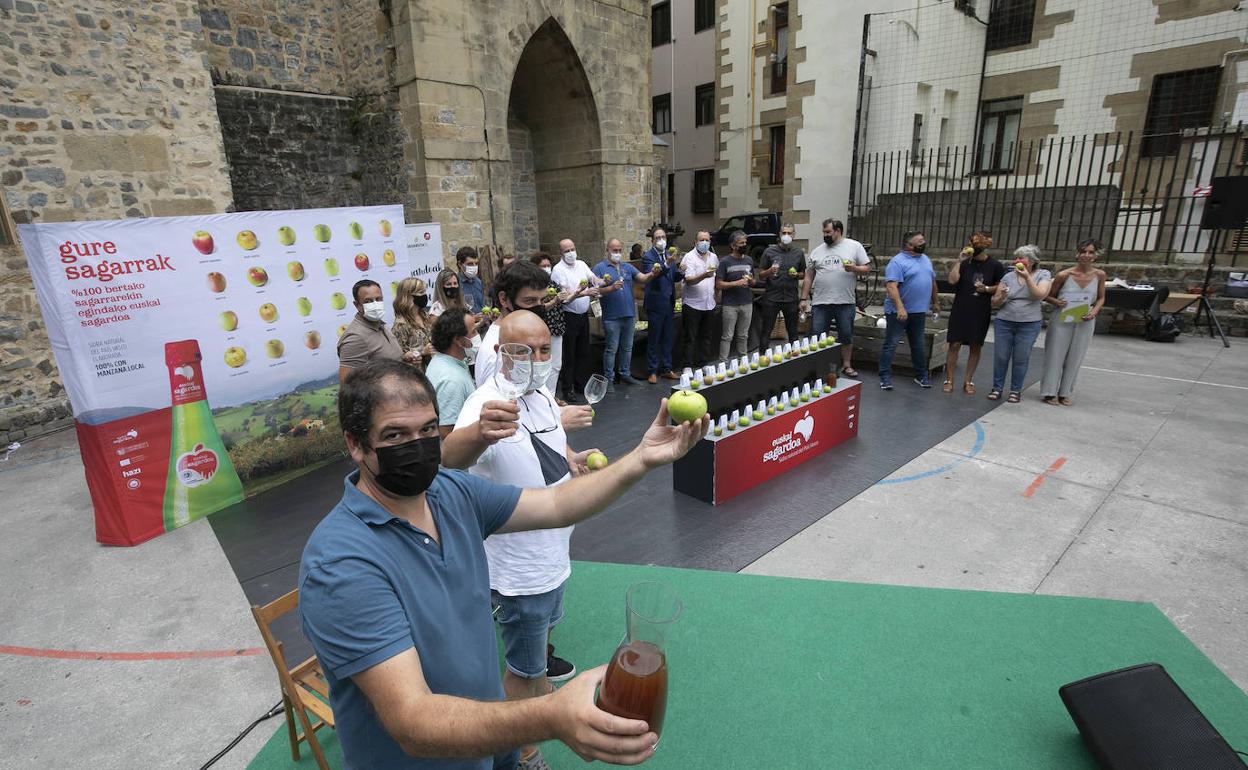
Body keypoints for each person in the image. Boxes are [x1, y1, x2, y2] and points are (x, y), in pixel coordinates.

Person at [299, 358, 706, 770]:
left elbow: (556, 503)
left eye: (427, 430)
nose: (418, 445)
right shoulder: (340, 564)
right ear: (354, 444)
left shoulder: (448, 491)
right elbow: (413, 721)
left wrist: (642, 457)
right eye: (395, 435)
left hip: (491, 746)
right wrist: (550, 716)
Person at [444, 312, 600, 770]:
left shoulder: (543, 396)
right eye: (521, 351)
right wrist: (474, 434)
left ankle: (533, 693)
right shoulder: (485, 405)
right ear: (499, 352)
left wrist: (574, 459)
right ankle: (522, 753)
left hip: (553, 556)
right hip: (518, 572)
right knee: (523, 670)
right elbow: (448, 461)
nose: (534, 360)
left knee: (541, 645)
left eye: (543, 350)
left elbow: (549, 448)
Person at [800, 218, 870, 377]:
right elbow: (808, 277)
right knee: (818, 335)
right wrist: (803, 299)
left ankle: (846, 365)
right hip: (820, 302)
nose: (825, 235)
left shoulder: (854, 246)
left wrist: (854, 268)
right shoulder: (817, 251)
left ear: (838, 231)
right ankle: (818, 365)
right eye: (823, 232)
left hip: (845, 301)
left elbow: (867, 268)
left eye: (828, 232)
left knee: (846, 334)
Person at [1041, 239, 1106, 406]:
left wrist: (1094, 311)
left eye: (1091, 252)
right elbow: (1048, 295)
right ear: (1077, 254)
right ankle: (1049, 391)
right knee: (1055, 355)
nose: (1086, 255)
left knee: (1076, 356)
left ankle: (1066, 392)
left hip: (1084, 320)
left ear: (1096, 255)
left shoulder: (1099, 275)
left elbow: (1101, 297)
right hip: (1062, 318)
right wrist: (1057, 303)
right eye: (1083, 251)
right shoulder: (1064, 275)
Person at [943, 229, 1005, 395]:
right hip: (960, 308)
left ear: (985, 246)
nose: (973, 247)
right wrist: (959, 261)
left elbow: (1000, 287)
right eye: (972, 243)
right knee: (954, 344)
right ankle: (949, 379)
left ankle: (968, 380)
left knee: (975, 346)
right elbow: (952, 281)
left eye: (977, 244)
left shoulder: (995, 266)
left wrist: (986, 288)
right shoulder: (965, 263)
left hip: (980, 309)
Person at [988, 245, 1053, 403]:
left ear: (1032, 261)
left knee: (1021, 358)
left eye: (1021, 258)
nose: (1017, 261)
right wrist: (1001, 296)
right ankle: (997, 388)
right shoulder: (1008, 276)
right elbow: (994, 303)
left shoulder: (1043, 274)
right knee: (1001, 357)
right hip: (1005, 321)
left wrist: (1027, 277)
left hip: (1029, 324)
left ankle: (1015, 390)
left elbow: (1040, 295)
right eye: (1016, 258)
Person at [474, 261, 553, 387]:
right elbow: (504, 399)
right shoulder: (498, 353)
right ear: (504, 299)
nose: (538, 307)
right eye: (530, 301)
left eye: (542, 300)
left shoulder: (520, 336)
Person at [879, 231, 938, 390]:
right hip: (898, 312)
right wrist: (900, 307)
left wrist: (935, 302)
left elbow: (932, 281)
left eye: (923, 240)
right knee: (891, 344)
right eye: (920, 241)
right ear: (909, 245)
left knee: (918, 344)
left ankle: (921, 375)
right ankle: (884, 376)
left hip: (918, 311)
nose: (923, 243)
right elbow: (891, 287)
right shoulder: (897, 262)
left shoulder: (926, 259)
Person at [594, 238, 657, 387]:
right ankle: (609, 379)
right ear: (607, 250)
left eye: (619, 250)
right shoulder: (599, 268)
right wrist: (611, 288)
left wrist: (653, 273)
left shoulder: (627, 267)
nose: (617, 253)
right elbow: (594, 292)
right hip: (611, 316)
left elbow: (642, 278)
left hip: (629, 314)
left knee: (627, 347)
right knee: (611, 349)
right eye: (614, 250)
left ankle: (625, 374)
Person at [550, 239, 599, 404]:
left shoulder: (581, 264)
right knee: (568, 355)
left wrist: (601, 282)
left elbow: (593, 278)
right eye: (567, 250)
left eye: (573, 249)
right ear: (561, 253)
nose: (571, 253)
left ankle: (580, 384)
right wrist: (584, 292)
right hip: (569, 316)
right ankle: (567, 389)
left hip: (583, 315)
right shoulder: (558, 271)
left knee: (583, 352)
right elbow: (566, 298)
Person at [338, 279, 410, 382]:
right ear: (357, 305)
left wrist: (403, 358)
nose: (375, 304)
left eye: (378, 299)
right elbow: (347, 385)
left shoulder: (381, 324)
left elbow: (383, 360)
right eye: (368, 301)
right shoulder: (355, 338)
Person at [425, 311, 478, 437]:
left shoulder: (445, 361)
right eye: (473, 332)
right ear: (459, 340)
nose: (477, 336)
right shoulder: (451, 380)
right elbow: (447, 432)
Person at [639, 228, 682, 383]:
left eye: (663, 237)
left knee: (667, 337)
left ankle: (667, 368)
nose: (661, 240)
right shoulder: (648, 257)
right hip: (655, 303)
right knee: (654, 338)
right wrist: (667, 262)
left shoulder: (669, 255)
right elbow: (654, 275)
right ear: (652, 240)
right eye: (658, 238)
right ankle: (652, 371)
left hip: (669, 302)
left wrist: (681, 272)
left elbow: (673, 275)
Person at [757, 223, 806, 349]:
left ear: (794, 235)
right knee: (766, 331)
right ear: (779, 234)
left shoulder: (798, 253)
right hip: (771, 298)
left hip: (791, 298)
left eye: (789, 233)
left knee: (793, 333)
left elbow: (803, 274)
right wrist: (769, 271)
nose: (786, 235)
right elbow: (761, 275)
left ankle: (794, 360)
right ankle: (763, 361)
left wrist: (796, 275)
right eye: (784, 233)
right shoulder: (769, 251)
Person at [678, 230, 718, 368]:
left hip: (709, 303)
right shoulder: (689, 257)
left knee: (706, 337)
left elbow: (715, 277)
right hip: (693, 304)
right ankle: (687, 366)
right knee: (690, 337)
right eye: (702, 240)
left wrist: (716, 296)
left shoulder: (713, 257)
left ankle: (704, 363)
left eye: (707, 240)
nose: (704, 243)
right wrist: (704, 275)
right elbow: (688, 280)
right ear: (695, 242)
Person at [715, 230, 754, 360]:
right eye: (741, 243)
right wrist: (736, 283)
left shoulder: (749, 260)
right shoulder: (725, 262)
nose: (744, 245)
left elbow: (753, 281)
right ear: (733, 246)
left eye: (745, 242)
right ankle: (723, 363)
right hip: (730, 304)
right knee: (727, 336)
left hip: (747, 302)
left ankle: (743, 360)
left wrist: (750, 281)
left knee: (744, 335)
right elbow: (719, 284)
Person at [392, 277, 434, 371]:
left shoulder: (424, 314)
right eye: (420, 292)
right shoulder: (401, 324)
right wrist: (422, 352)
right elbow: (399, 357)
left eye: (424, 291)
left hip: (432, 368)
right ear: (408, 296)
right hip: (415, 374)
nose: (424, 295)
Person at [456, 246, 486, 314]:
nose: (474, 267)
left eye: (476, 263)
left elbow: (483, 305)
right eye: (470, 264)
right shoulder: (455, 284)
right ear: (460, 264)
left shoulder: (479, 282)